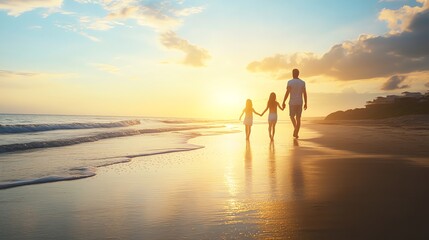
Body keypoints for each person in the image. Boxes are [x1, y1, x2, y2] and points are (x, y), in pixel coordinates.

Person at [282, 69, 308, 138]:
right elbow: (304, 93)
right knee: (298, 118)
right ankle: (296, 131)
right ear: (298, 74)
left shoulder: (290, 82)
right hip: (300, 102)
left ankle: (295, 129)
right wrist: (306, 103)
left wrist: (283, 101)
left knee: (292, 116)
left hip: (292, 102)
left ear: (293, 74)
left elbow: (287, 92)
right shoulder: (302, 82)